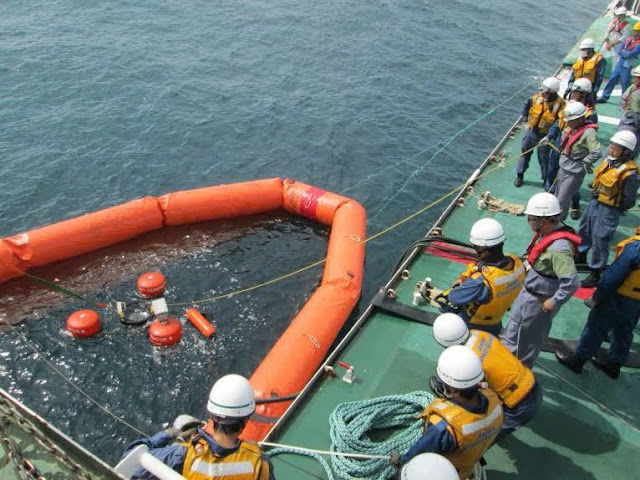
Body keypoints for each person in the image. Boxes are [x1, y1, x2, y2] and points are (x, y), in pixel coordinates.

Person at [122, 374, 274, 480]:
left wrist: (170, 433)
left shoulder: (182, 454)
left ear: (211, 416)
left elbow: (131, 459)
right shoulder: (260, 462)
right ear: (246, 420)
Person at [396, 346, 503, 480]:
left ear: (453, 389)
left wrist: (401, 462)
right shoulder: (494, 401)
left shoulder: (442, 428)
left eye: (443, 382)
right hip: (467, 465)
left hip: (446, 472)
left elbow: (417, 456)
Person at [432, 313, 542, 442]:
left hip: (518, 407)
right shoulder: (480, 334)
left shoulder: (468, 362)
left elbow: (468, 393)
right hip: (533, 385)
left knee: (480, 440)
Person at [501, 193, 580, 368]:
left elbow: (572, 282)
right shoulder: (547, 233)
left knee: (529, 340)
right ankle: (504, 362)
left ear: (543, 221)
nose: (529, 221)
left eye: (531, 218)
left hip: (540, 301)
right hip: (527, 293)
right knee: (513, 327)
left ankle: (520, 374)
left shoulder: (559, 249)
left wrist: (554, 300)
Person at [556, 228, 640, 379]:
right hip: (636, 303)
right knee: (625, 331)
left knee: (596, 327)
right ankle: (614, 364)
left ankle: (578, 360)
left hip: (619, 297)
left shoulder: (635, 249)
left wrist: (597, 296)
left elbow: (614, 276)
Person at [440, 218, 525, 336]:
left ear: (481, 249)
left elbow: (454, 298)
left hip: (472, 326)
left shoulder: (480, 281)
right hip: (495, 322)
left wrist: (466, 280)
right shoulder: (518, 264)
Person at [576, 130, 638, 287]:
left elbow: (629, 198)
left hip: (609, 208)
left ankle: (596, 271)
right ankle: (581, 255)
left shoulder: (629, 172)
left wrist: (616, 207)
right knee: (585, 228)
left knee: (600, 238)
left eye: (616, 148)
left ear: (626, 152)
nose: (611, 149)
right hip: (595, 202)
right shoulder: (609, 162)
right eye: (611, 146)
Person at [547, 81, 599, 219]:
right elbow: (559, 127)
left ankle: (557, 222)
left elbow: (596, 151)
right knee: (558, 194)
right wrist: (549, 137)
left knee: (562, 200)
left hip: (574, 169)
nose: (568, 123)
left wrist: (585, 162)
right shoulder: (571, 123)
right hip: (564, 164)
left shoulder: (588, 131)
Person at [515, 77, 565, 188]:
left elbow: (558, 122)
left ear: (552, 93)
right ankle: (519, 174)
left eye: (546, 92)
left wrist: (549, 136)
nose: (542, 93)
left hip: (545, 136)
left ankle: (545, 178)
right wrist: (525, 119)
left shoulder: (560, 104)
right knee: (524, 153)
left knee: (544, 159)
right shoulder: (536, 98)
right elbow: (526, 105)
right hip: (532, 132)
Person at [598, 22, 640, 104]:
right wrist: (623, 53)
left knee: (625, 84)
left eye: (636, 31)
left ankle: (625, 101)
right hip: (620, 62)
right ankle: (604, 97)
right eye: (634, 30)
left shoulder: (638, 43)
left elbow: (634, 53)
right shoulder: (629, 39)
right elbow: (620, 47)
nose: (634, 32)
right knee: (612, 79)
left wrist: (624, 53)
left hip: (627, 65)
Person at [567, 38, 606, 103]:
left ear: (590, 50)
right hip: (576, 87)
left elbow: (599, 77)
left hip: (589, 89)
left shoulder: (599, 60)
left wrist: (594, 90)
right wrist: (570, 86)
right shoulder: (580, 58)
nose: (582, 52)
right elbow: (573, 73)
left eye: (584, 50)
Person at [619, 65, 640, 157]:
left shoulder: (633, 87)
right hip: (634, 125)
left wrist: (625, 112)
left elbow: (623, 99)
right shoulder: (636, 93)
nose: (635, 79)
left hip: (625, 121)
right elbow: (637, 115)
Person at [601, 7, 631, 71]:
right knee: (600, 56)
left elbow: (623, 38)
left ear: (623, 15)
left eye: (619, 15)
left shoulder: (627, 26)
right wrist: (608, 43)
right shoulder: (613, 22)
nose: (618, 16)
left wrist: (613, 45)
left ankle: (613, 75)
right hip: (608, 43)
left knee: (616, 61)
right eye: (618, 15)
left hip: (617, 46)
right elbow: (607, 32)